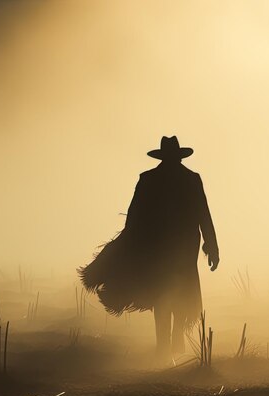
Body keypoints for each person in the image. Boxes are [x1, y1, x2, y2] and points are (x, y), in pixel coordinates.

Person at [79, 135, 219, 361]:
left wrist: (128, 243)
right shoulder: (189, 179)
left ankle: (168, 342)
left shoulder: (151, 179)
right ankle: (170, 341)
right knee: (172, 290)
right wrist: (212, 245)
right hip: (177, 247)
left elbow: (135, 216)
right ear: (177, 157)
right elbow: (203, 213)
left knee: (166, 291)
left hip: (164, 247)